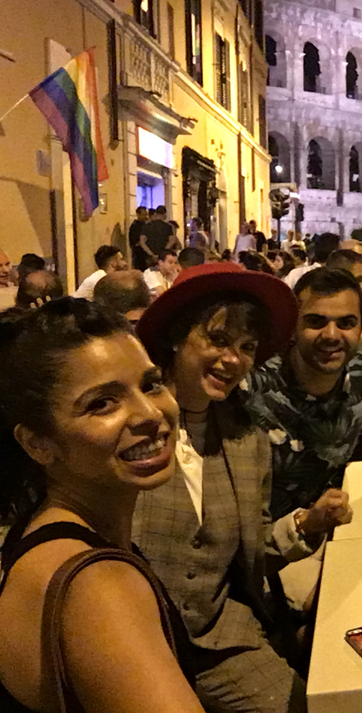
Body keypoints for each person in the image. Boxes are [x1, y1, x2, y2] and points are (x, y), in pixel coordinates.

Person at [0, 299, 203, 712]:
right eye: (102, 403)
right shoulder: (98, 586)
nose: (149, 413)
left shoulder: (43, 528)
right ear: (37, 443)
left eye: (150, 384)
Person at [134, 263, 308, 712]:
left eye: (247, 347)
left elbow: (253, 549)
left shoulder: (247, 441)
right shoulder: (130, 428)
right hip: (131, 646)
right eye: (217, 340)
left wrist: (305, 526)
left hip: (222, 642)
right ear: (177, 336)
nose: (234, 360)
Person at [242, 267, 362, 540]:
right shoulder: (255, 381)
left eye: (346, 323)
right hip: (273, 540)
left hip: (342, 527)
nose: (332, 334)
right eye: (316, 321)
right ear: (292, 325)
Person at [128, 206, 149, 270]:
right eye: (143, 214)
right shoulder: (135, 226)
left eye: (146, 214)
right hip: (139, 253)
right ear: (138, 214)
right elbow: (134, 240)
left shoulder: (147, 224)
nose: (145, 216)